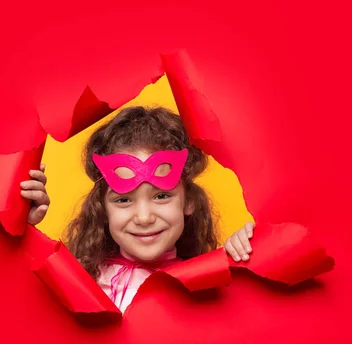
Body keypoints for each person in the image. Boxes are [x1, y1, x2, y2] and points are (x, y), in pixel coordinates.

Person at [21, 106, 255, 312]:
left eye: (161, 196)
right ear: (102, 207)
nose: (144, 217)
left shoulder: (206, 283)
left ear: (189, 201)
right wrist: (23, 230)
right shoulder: (81, 279)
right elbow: (23, 310)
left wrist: (242, 258)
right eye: (124, 200)